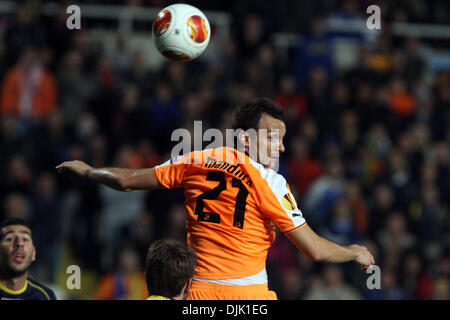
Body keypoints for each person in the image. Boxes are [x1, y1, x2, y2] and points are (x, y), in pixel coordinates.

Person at [56, 97, 374, 300]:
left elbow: (127, 180)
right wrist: (354, 251)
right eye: (273, 138)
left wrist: (89, 171)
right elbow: (315, 250)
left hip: (197, 296)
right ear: (246, 139)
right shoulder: (271, 182)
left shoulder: (196, 159)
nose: (281, 148)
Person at [0, 217, 57, 300]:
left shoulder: (45, 296)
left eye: (25, 239)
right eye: (10, 239)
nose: (19, 243)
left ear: (33, 253)